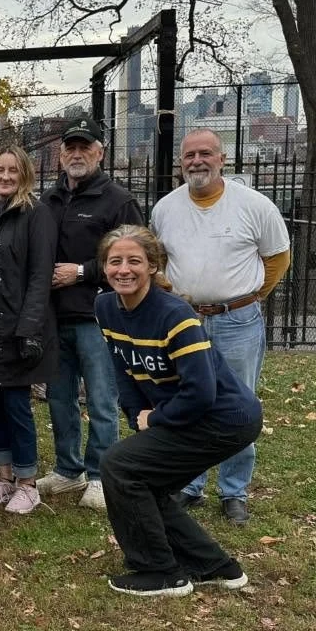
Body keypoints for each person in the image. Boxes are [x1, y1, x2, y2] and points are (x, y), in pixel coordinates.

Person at [94, 225, 259, 597]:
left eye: (134, 261)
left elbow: (201, 393)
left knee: (119, 467)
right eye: (114, 261)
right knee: (141, 479)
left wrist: (156, 419)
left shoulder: (175, 315)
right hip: (189, 413)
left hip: (225, 419)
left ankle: (161, 572)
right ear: (103, 267)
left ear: (153, 266)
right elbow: (125, 370)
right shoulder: (106, 307)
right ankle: (215, 567)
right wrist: (139, 417)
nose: (124, 269)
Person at [150, 129, 291, 524]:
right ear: (181, 163)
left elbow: (278, 259)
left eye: (205, 153)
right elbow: (155, 259)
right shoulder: (165, 209)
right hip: (185, 321)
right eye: (189, 155)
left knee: (238, 405)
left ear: (222, 158)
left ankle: (234, 491)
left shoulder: (254, 206)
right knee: (187, 401)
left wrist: (247, 296)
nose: (197, 161)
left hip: (236, 320)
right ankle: (191, 485)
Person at [37, 120, 144, 510]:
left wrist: (81, 272)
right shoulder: (47, 201)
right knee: (60, 398)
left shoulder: (118, 201)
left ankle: (100, 474)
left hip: (98, 318)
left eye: (85, 148)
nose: (77, 155)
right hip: (54, 318)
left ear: (100, 153)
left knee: (101, 400)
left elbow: (136, 259)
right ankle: (68, 469)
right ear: (61, 155)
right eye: (70, 149)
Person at [0, 146, 58, 514]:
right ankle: (4, 475)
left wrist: (29, 327)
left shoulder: (36, 215)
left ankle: (27, 481)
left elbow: (40, 276)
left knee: (16, 404)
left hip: (17, 324)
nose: (5, 177)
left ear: (24, 175)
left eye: (12, 171)